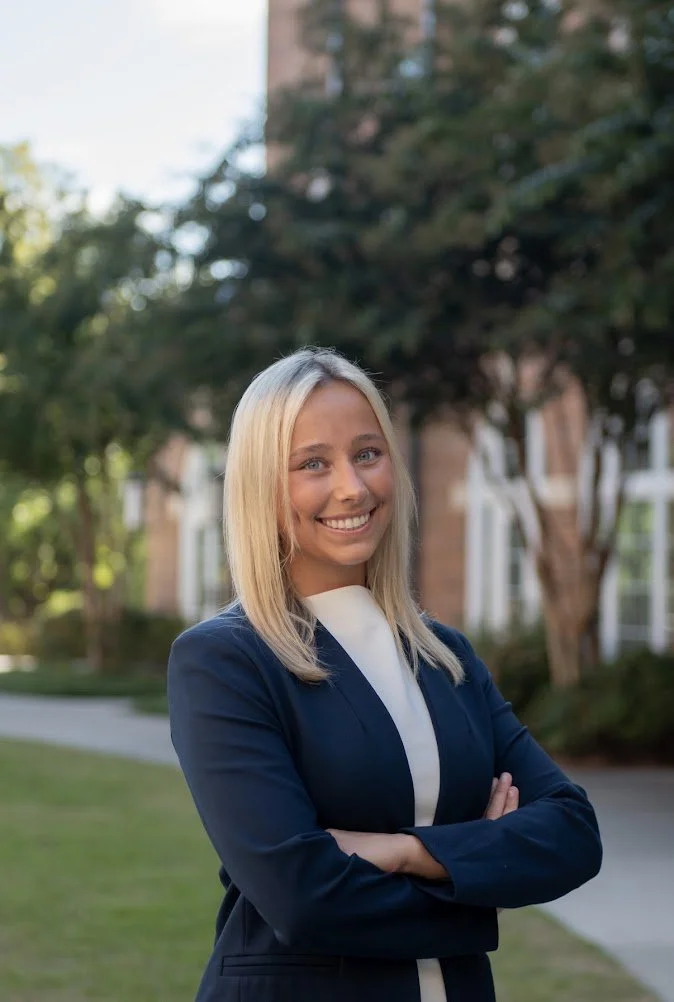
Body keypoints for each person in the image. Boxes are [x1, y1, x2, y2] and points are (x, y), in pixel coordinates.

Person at [168, 347, 603, 1002]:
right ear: (262, 486)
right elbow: (300, 895)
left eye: (367, 454)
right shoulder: (226, 662)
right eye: (313, 464)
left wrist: (406, 853)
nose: (353, 486)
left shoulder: (443, 657)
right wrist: (478, 868)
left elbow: (572, 833)